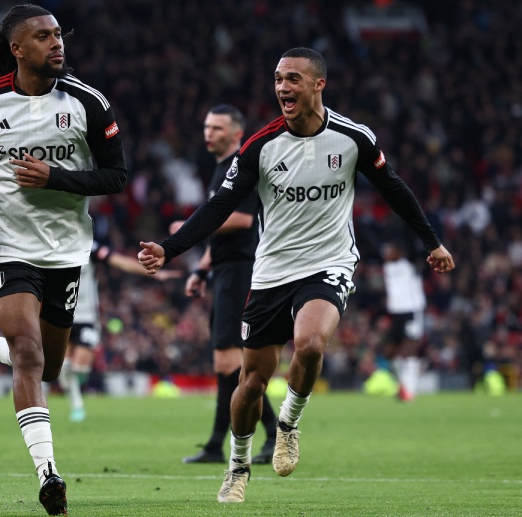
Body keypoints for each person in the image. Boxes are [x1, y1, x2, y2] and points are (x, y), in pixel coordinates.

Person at [138, 47, 455, 503]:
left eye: (292, 79)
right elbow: (218, 207)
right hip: (271, 271)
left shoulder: (353, 138)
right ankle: (238, 465)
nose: (283, 88)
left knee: (309, 344)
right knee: (250, 384)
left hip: (329, 262)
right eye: (278, 79)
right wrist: (170, 250)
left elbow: (394, 189)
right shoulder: (260, 146)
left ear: (318, 84)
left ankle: (288, 423)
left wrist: (433, 242)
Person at [0, 5, 127, 515]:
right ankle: (49, 474)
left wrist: (57, 178)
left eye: (58, 35)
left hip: (65, 247)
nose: (56, 43)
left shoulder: (88, 103)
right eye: (43, 37)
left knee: (49, 365)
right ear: (17, 50)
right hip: (4, 242)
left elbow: (117, 176)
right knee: (29, 353)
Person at [169, 105, 277, 466]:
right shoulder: (220, 169)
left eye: (216, 128)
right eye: (206, 126)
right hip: (225, 270)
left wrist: (189, 226)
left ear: (236, 134)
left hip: (242, 270)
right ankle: (219, 443)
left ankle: (272, 434)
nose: (208, 133)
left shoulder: (240, 165)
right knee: (226, 361)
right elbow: (219, 237)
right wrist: (201, 270)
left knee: (234, 362)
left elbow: (244, 219)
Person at [59, 240, 181, 423]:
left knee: (80, 369)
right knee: (65, 368)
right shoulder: (50, 247)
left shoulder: (87, 246)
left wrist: (152, 273)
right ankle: (77, 406)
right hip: (60, 316)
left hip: (86, 316)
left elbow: (119, 261)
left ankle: (77, 397)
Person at [380, 242, 427, 401]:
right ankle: (402, 386)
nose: (387, 253)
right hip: (396, 312)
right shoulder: (387, 268)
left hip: (411, 310)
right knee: (390, 352)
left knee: (409, 350)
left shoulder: (411, 265)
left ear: (399, 251)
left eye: (390, 250)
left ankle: (410, 391)